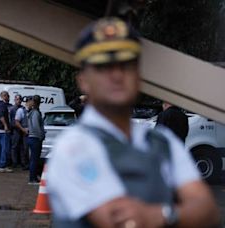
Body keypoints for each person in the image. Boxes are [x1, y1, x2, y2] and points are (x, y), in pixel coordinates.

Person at [46, 17, 219, 227]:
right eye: (103, 67)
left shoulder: (160, 141)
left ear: (139, 76)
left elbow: (207, 210)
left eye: (126, 65)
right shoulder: (72, 148)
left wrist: (160, 215)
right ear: (83, 81)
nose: (117, 75)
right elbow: (120, 220)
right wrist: (176, 213)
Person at [0, 91, 13, 173]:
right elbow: (1, 116)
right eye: (8, 96)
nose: (8, 98)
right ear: (5, 96)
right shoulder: (3, 105)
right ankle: (2, 165)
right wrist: (5, 125)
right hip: (3, 130)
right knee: (4, 149)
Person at [27, 95, 45, 184]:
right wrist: (41, 135)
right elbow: (36, 126)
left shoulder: (32, 112)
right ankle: (32, 179)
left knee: (34, 159)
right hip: (35, 138)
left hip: (32, 137)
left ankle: (33, 177)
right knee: (34, 159)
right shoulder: (35, 113)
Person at [14, 96, 32, 170]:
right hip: (24, 133)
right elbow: (17, 122)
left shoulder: (32, 111)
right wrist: (23, 130)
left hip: (31, 133)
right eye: (31, 101)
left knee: (28, 149)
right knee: (24, 149)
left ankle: (28, 163)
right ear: (28, 102)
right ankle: (24, 164)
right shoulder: (21, 110)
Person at [9, 95, 27, 169]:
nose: (18, 101)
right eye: (17, 99)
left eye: (20, 99)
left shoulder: (23, 108)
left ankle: (23, 162)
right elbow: (11, 120)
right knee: (14, 146)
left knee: (22, 147)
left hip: (22, 129)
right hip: (15, 130)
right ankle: (14, 162)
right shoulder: (12, 109)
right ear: (14, 100)